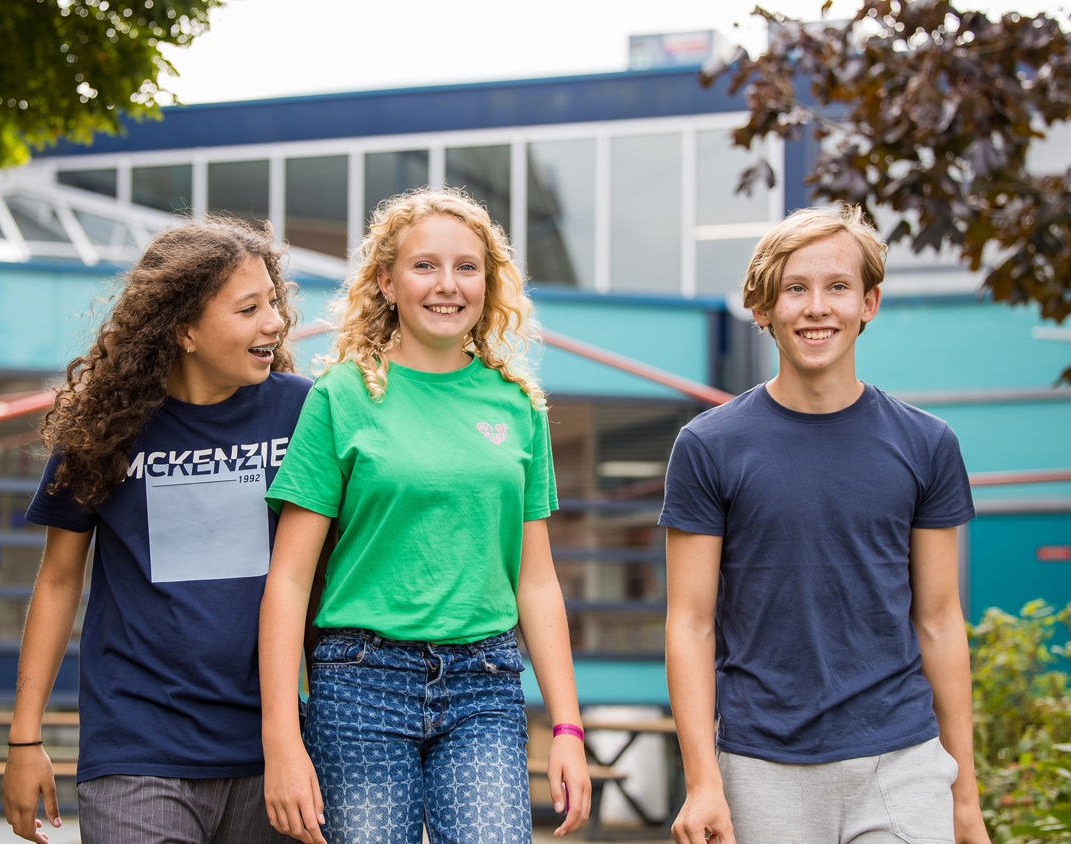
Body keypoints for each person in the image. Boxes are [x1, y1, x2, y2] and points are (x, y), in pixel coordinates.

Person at [259, 187, 592, 844]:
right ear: (387, 282)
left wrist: (567, 728)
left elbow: (536, 581)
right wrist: (282, 740)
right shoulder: (341, 396)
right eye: (424, 266)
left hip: (485, 685)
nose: (448, 285)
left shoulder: (518, 405)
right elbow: (289, 580)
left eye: (467, 267)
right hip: (360, 685)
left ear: (488, 284)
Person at [661, 204, 989, 844]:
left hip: (902, 761)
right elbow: (690, 624)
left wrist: (965, 797)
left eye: (838, 287)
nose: (817, 308)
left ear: (869, 303)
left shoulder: (928, 444)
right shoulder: (708, 447)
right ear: (763, 308)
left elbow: (941, 621)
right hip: (762, 767)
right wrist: (703, 783)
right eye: (795, 289)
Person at [2, 218, 310, 844]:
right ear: (183, 330)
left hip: (275, 750)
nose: (275, 322)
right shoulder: (102, 426)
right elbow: (58, 581)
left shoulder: (303, 411)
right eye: (248, 308)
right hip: (136, 749)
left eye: (273, 302)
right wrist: (24, 739)